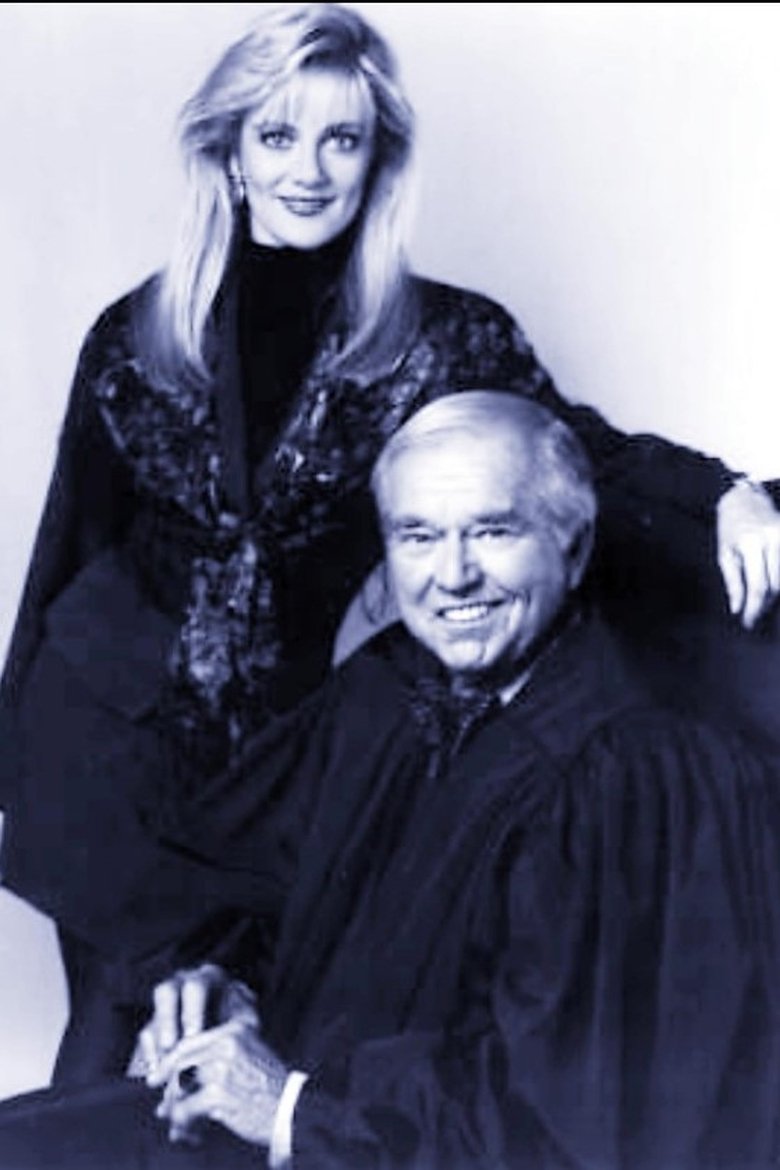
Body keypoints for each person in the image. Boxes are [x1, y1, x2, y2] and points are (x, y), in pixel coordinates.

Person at [1, 1, 779, 1086]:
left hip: (287, 766)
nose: (308, 170)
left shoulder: (444, 337)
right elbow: (69, 546)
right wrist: (11, 750)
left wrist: (726, 498)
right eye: (278, 135)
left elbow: (577, 461)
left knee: (257, 1063)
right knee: (106, 1066)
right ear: (230, 153)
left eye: (342, 139)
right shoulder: (135, 332)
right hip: (111, 758)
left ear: (379, 159)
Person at [0, 391, 779, 1170]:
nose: (454, 576)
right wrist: (224, 986)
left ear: (572, 550)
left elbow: (566, 1130)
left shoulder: (630, 777)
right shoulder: (385, 691)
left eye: (493, 531)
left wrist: (290, 1109)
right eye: (419, 536)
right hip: (302, 1128)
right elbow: (263, 901)